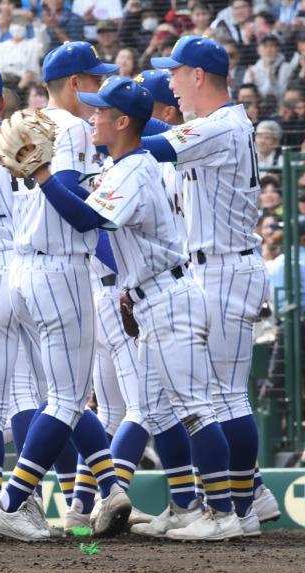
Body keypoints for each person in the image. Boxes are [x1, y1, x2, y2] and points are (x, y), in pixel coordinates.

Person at [29, 75, 245, 541]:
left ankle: (222, 514)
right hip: (152, 295)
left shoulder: (133, 168)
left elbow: (88, 218)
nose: (92, 116)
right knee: (156, 409)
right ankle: (191, 508)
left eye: (100, 111)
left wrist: (43, 176)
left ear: (122, 121)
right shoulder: (126, 163)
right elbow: (98, 209)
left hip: (169, 298)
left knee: (195, 409)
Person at [0, 42, 131, 542]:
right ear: (74, 83)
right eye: (95, 80)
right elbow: (69, 196)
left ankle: (110, 488)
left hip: (21, 268)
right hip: (60, 267)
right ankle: (9, 503)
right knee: (67, 397)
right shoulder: (69, 127)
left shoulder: (19, 124)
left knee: (61, 396)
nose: (100, 91)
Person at [146, 35, 273, 538]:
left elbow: (150, 144)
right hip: (212, 266)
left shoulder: (220, 126)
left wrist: (102, 125)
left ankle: (237, 510)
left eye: (174, 72)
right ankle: (248, 500)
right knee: (214, 393)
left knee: (224, 396)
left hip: (225, 267)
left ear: (198, 74)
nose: (171, 82)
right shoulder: (218, 125)